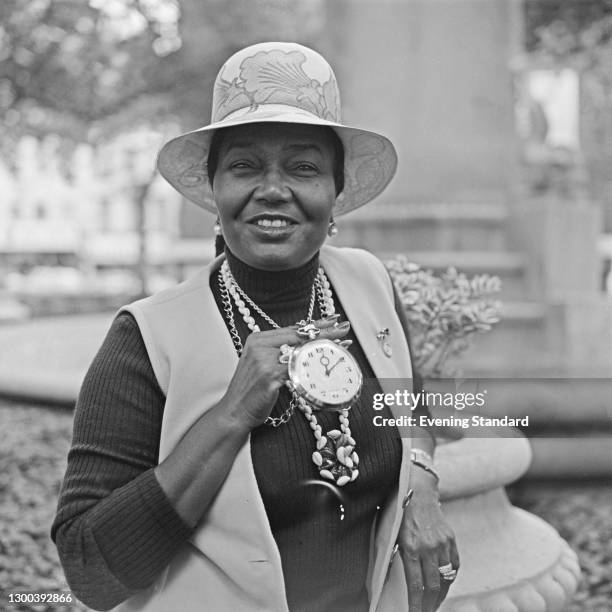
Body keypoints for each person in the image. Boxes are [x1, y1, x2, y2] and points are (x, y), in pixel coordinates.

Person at [52, 42, 459, 612]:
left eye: (304, 167)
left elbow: (410, 407)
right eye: (244, 165)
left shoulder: (368, 283)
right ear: (213, 191)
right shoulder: (145, 338)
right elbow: (88, 571)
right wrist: (230, 416)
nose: (273, 188)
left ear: (336, 192)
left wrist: (422, 486)